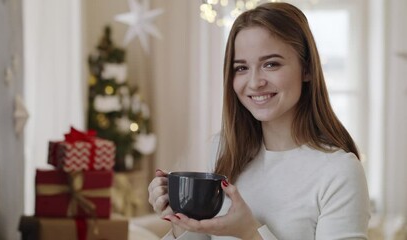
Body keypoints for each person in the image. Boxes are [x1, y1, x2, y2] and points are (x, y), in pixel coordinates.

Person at [148, 2, 370, 239]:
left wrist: (250, 233)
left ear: (306, 69)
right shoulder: (224, 150)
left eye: (270, 64)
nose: (254, 82)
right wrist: (181, 219)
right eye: (241, 68)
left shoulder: (339, 172)